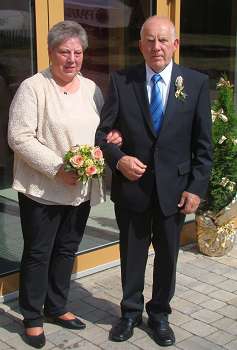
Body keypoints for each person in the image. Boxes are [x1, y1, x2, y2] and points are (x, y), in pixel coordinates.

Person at [95, 16, 212, 347]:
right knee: (132, 255)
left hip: (175, 192)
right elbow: (102, 135)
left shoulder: (196, 83)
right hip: (133, 189)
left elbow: (203, 146)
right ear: (140, 45)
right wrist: (119, 160)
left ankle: (159, 314)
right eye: (149, 40)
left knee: (167, 258)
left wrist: (196, 188)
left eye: (163, 40)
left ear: (175, 45)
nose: (156, 47)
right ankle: (129, 313)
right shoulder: (121, 81)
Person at [8, 20, 121, 349]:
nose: (72, 59)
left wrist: (111, 138)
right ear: (50, 52)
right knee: (39, 253)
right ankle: (31, 316)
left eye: (77, 52)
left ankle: (56, 306)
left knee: (66, 250)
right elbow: (19, 137)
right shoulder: (34, 88)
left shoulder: (91, 89)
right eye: (64, 52)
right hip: (43, 190)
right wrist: (57, 169)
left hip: (79, 190)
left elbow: (101, 131)